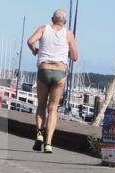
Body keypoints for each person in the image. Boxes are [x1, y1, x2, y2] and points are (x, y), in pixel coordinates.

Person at [26, 10, 79, 153]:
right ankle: (48, 144)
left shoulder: (43, 29)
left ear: (52, 19)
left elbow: (30, 41)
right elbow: (74, 57)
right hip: (59, 72)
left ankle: (39, 134)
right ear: (65, 21)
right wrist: (66, 50)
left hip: (44, 70)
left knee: (41, 106)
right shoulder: (68, 34)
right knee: (53, 108)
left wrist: (35, 50)